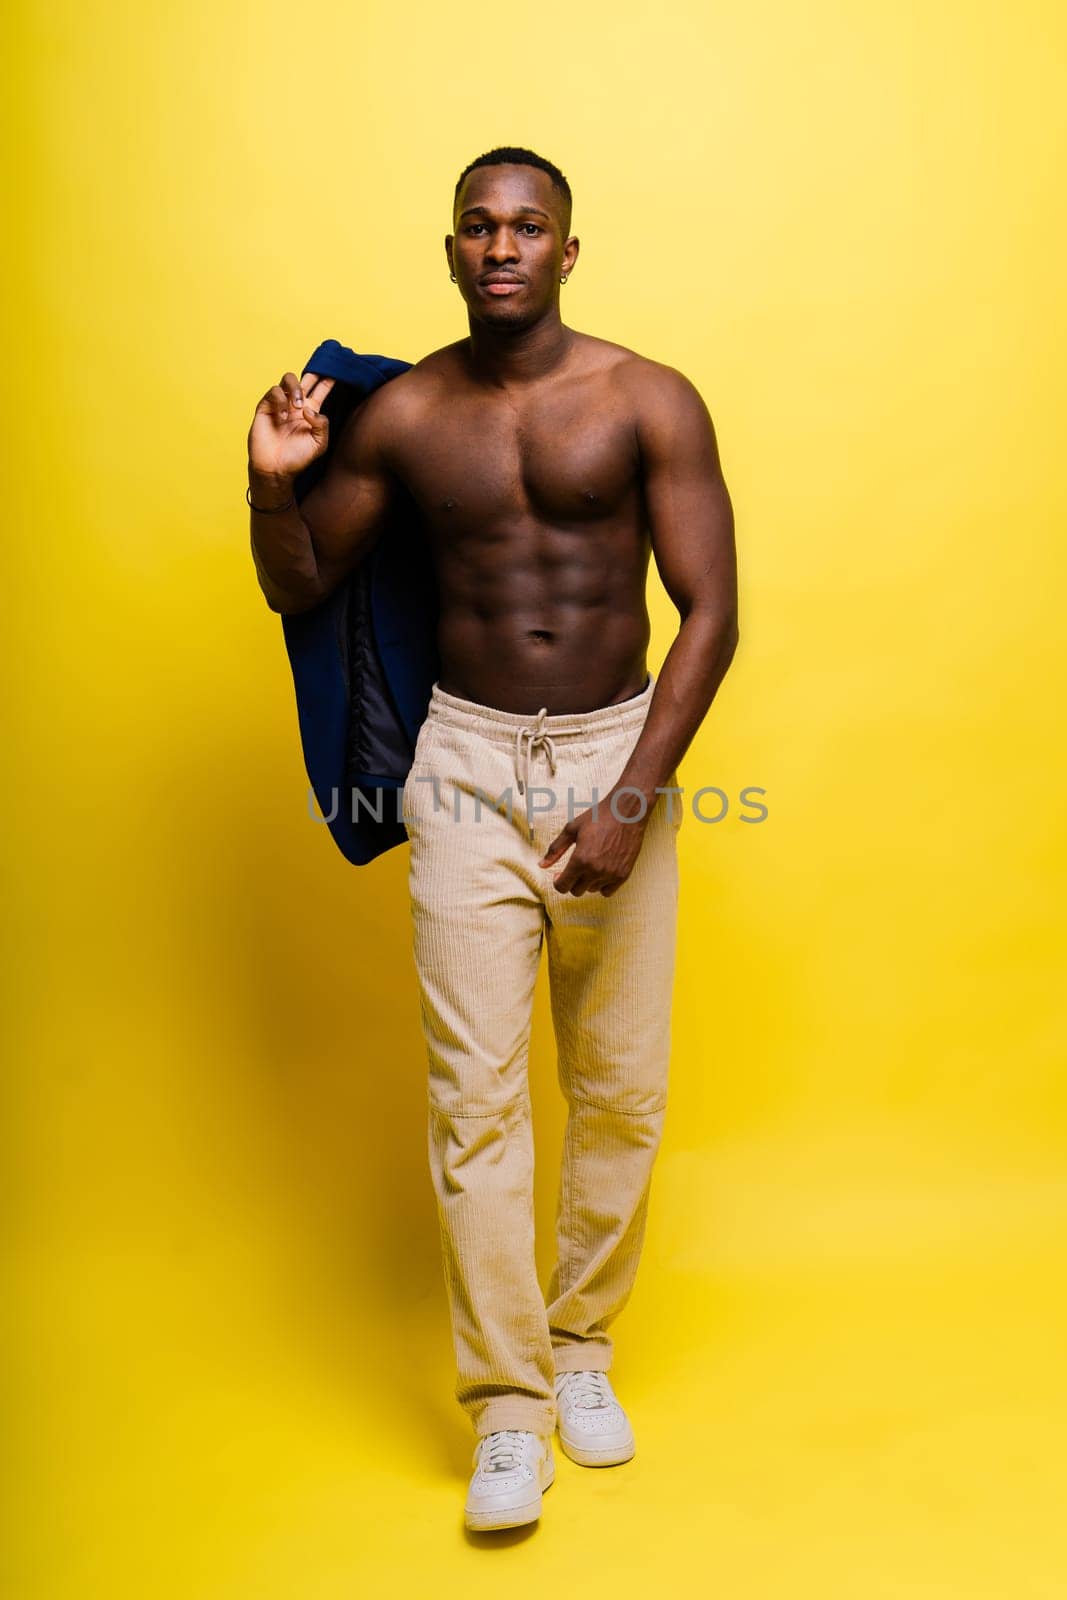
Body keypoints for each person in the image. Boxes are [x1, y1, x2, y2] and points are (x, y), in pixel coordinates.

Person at [246, 146, 739, 1532]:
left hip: (611, 753)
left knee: (621, 1091)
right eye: (479, 225)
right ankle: (508, 1405)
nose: (503, 245)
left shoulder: (648, 399)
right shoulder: (406, 417)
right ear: (451, 250)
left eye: (530, 226)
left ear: (569, 251)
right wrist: (272, 482)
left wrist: (635, 796)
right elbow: (301, 581)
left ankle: (583, 1350)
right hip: (462, 762)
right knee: (476, 1104)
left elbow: (712, 609)